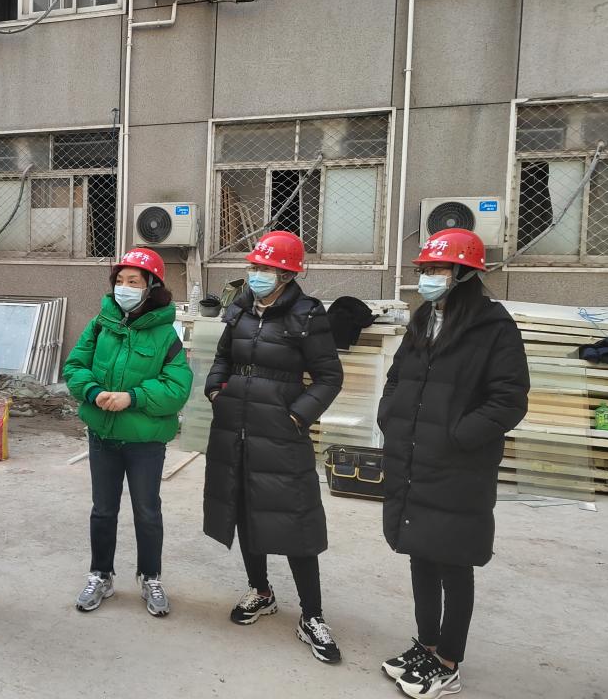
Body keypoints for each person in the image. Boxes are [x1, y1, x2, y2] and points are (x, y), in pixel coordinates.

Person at [378, 229, 529, 699]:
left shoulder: (493, 327)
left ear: (464, 274)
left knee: (454, 563)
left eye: (437, 269)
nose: (427, 277)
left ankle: (448, 662)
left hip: (459, 466)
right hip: (413, 457)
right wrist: (390, 417)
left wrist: (458, 436)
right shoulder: (424, 319)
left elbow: (509, 399)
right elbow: (397, 377)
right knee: (420, 553)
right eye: (424, 269)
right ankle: (426, 645)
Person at [203, 230, 344, 664]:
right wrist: (215, 390)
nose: (256, 274)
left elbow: (329, 377)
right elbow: (224, 357)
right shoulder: (240, 309)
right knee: (244, 509)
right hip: (234, 428)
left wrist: (297, 416)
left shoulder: (307, 315)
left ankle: (312, 615)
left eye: (264, 268)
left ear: (286, 274)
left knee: (296, 519)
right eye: (254, 267)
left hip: (281, 433)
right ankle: (260, 591)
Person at [63, 248, 194, 617]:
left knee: (147, 511)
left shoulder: (166, 335)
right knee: (103, 510)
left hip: (145, 441)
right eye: (119, 280)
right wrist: (93, 391)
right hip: (103, 436)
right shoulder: (101, 324)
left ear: (150, 287)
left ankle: (150, 577)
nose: (124, 287)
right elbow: (75, 365)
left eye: (133, 281)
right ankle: (100, 575)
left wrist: (132, 397)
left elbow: (177, 388)